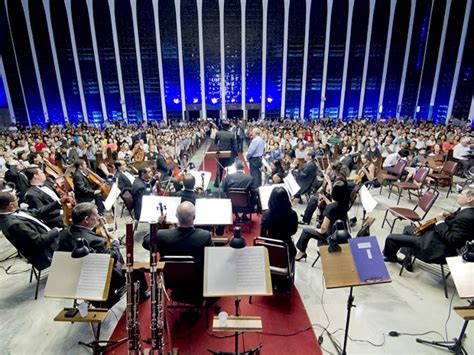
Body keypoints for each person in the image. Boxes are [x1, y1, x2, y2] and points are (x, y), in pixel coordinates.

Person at [57, 203, 149, 308]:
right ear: (86, 219)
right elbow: (111, 259)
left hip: (74, 280)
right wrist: (115, 241)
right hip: (99, 281)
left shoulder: (64, 234)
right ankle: (141, 295)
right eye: (96, 215)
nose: (99, 217)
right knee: (135, 267)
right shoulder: (96, 240)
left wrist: (99, 227)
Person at [383, 187, 474, 270]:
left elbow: (454, 241)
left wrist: (440, 222)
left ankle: (390, 257)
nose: (458, 195)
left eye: (461, 194)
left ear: (470, 199)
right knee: (408, 228)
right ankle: (407, 258)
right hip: (434, 238)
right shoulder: (466, 210)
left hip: (435, 248)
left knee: (391, 238)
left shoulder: (468, 217)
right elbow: (455, 225)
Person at [142, 201, 214, 270]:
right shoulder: (205, 236)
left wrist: (158, 225)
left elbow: (145, 242)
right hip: (196, 281)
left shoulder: (161, 235)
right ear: (194, 217)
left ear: (176, 216)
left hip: (168, 281)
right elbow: (212, 258)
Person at [0, 192, 61, 271]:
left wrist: (58, 202)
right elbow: (38, 241)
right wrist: (55, 231)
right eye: (16, 199)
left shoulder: (13, 213)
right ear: (11, 205)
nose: (18, 200)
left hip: (49, 239)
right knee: (76, 238)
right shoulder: (14, 224)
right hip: (48, 250)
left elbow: (37, 212)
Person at [295, 181, 350, 261]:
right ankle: (320, 247)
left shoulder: (331, 208)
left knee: (306, 232)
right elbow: (333, 206)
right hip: (341, 233)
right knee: (318, 226)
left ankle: (302, 252)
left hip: (331, 235)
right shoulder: (345, 204)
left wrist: (318, 229)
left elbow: (323, 229)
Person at [260, 187, 298, 261]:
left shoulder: (266, 214)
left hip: (269, 247)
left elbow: (262, 235)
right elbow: (293, 231)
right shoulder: (293, 214)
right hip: (286, 247)